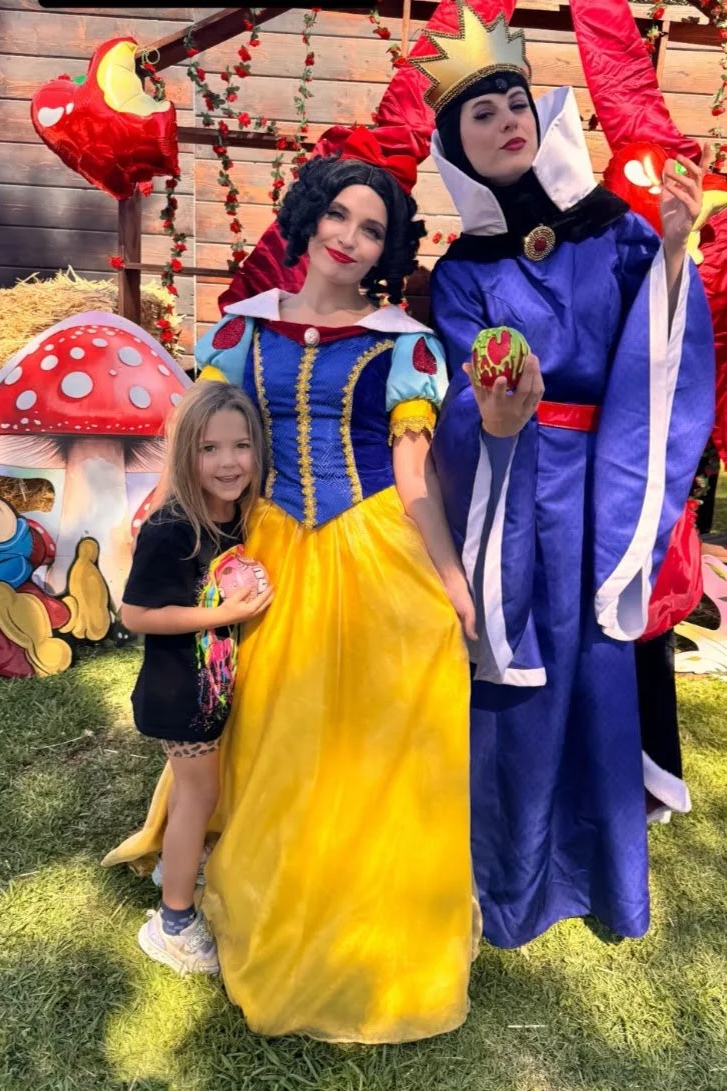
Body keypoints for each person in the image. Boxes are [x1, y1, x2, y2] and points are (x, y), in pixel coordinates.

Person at [105, 127, 479, 1042]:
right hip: (263, 551)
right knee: (266, 722)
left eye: (373, 227)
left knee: (367, 727)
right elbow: (200, 432)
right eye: (339, 215)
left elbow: (415, 469)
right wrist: (158, 510)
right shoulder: (242, 328)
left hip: (370, 546)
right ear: (310, 222)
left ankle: (349, 886)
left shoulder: (405, 344)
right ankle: (233, 871)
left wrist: (451, 575)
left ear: (388, 251)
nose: (350, 236)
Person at [412, 5, 715, 947]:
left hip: (607, 486)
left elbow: (660, 344)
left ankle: (609, 881)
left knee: (597, 660)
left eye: (515, 101)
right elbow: (469, 380)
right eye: (481, 113)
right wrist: (495, 409)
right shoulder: (460, 269)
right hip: (515, 485)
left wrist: (672, 249)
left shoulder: (614, 232)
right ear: (455, 151)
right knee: (522, 680)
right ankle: (513, 885)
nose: (507, 118)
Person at [119, 382, 273, 975]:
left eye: (241, 446)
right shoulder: (173, 529)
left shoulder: (235, 516)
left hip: (206, 691)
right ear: (186, 454)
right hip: (177, 695)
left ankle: (173, 866)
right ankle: (173, 921)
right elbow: (136, 614)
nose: (229, 462)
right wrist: (225, 615)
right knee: (198, 798)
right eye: (210, 449)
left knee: (195, 795)